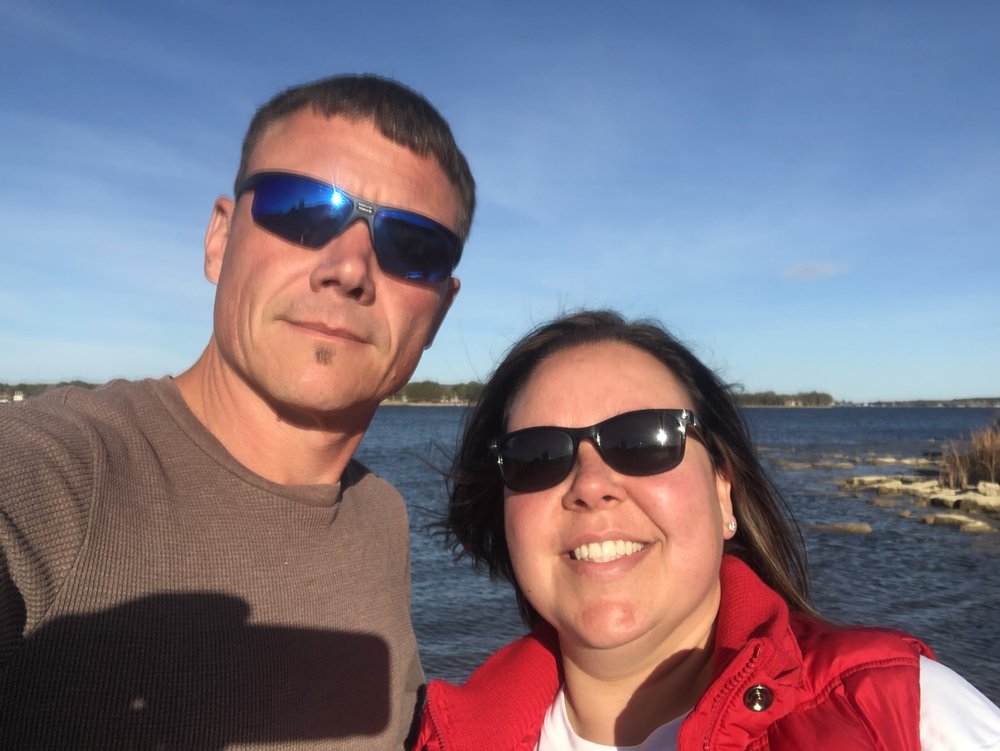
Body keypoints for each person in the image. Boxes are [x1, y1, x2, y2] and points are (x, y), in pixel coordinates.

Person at [0, 74, 474, 749]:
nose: (349, 268)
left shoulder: (381, 515)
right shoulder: (60, 472)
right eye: (302, 209)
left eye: (414, 246)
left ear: (441, 310)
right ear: (219, 240)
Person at [414, 310, 1000, 750]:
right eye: (537, 456)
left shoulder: (900, 714)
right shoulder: (443, 737)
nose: (590, 484)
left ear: (723, 492)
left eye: (643, 441)